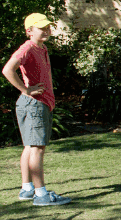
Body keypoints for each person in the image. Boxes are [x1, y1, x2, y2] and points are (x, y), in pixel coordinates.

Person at [2, 13, 71, 206]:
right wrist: (26, 89)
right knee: (38, 149)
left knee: (30, 147)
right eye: (42, 27)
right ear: (29, 31)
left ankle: (27, 189)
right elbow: (7, 70)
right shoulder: (27, 48)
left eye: (48, 27)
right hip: (34, 104)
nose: (47, 30)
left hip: (38, 104)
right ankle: (41, 195)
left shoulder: (42, 47)